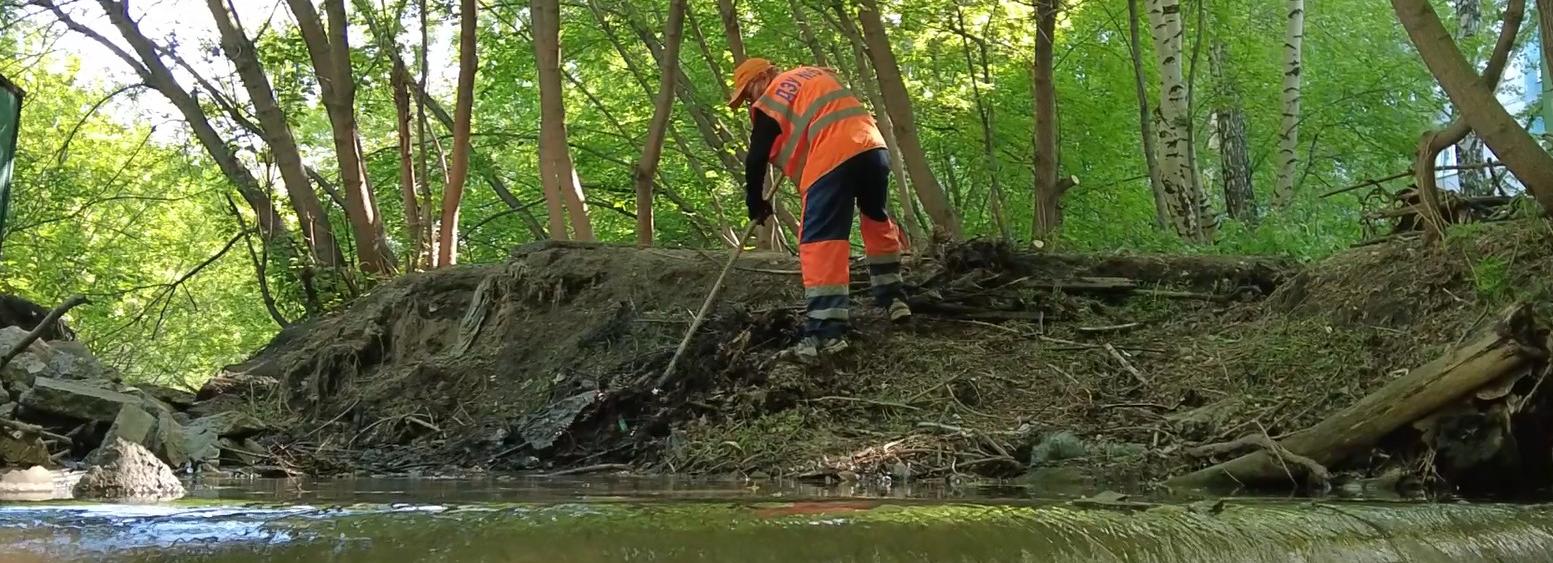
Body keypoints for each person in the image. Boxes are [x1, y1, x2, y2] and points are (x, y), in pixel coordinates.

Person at [726, 57, 911, 362]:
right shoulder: (813, 75)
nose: (750, 100)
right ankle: (893, 297)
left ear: (763, 77)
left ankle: (827, 328)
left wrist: (755, 203)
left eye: (748, 92)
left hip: (833, 158)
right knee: (875, 218)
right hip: (872, 148)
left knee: (820, 240)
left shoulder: (772, 98)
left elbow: (756, 158)